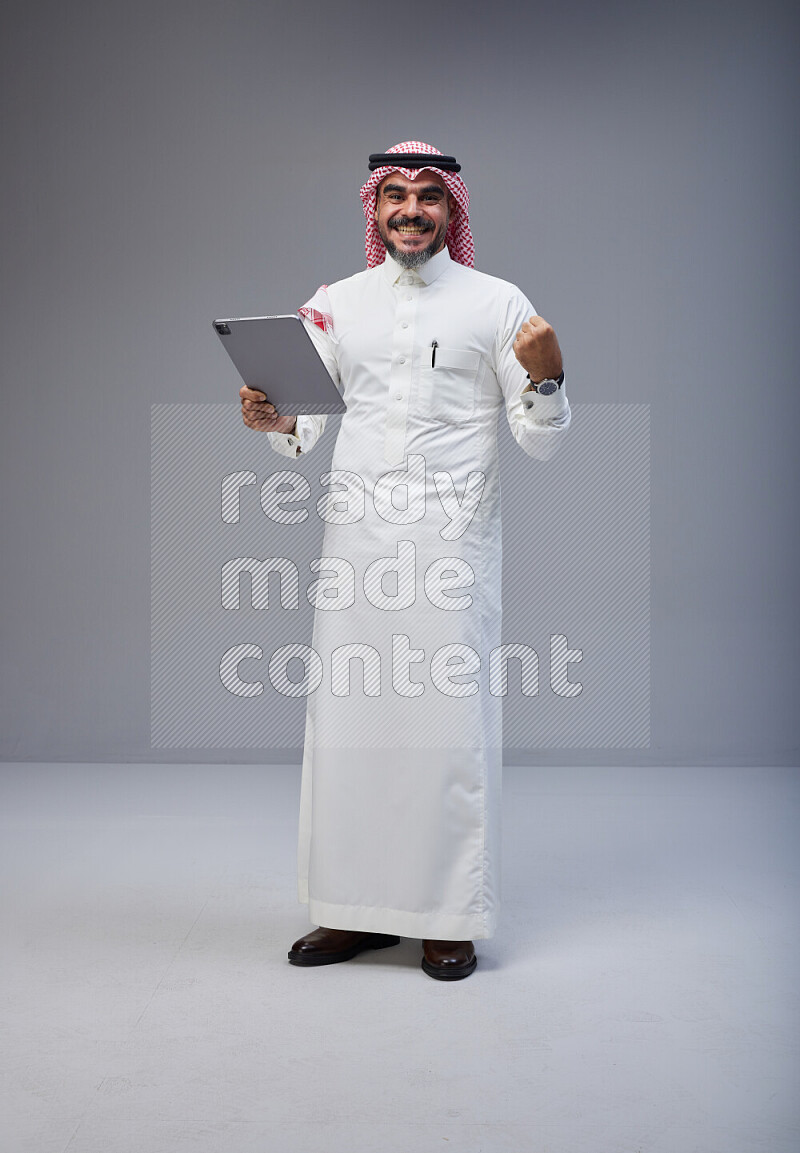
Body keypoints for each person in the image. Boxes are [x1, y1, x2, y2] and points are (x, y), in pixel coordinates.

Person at [240, 141, 570, 980]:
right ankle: (352, 914)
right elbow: (302, 432)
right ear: (373, 208)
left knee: (445, 731)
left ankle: (448, 917)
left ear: (453, 211)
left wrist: (549, 377)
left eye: (430, 195)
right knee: (350, 731)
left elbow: (540, 439)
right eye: (396, 194)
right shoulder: (333, 305)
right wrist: (270, 414)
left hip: (451, 547)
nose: (412, 209)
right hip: (357, 546)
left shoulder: (498, 304)